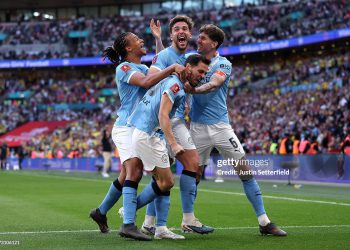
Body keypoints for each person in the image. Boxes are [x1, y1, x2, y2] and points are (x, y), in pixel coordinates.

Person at [185, 24, 287, 236]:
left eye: (202, 38)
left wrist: (194, 90)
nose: (198, 40)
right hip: (197, 127)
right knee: (194, 175)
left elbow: (214, 83)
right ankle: (188, 219)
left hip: (221, 127)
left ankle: (264, 222)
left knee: (245, 171)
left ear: (214, 43)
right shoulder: (192, 61)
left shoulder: (223, 63)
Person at [89, 31, 184, 240]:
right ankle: (128, 225)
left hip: (143, 128)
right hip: (126, 127)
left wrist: (159, 40)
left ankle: (101, 212)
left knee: (127, 176)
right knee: (135, 170)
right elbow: (146, 82)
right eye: (136, 39)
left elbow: (158, 66)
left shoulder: (142, 67)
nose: (142, 40)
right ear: (128, 48)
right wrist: (171, 68)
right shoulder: (124, 68)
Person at [141, 15, 214, 235]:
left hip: (179, 119)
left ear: (189, 35)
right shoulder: (165, 57)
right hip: (161, 118)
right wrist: (170, 71)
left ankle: (188, 219)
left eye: (185, 29)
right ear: (172, 34)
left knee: (194, 164)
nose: (181, 31)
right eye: (176, 29)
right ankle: (148, 220)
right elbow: (151, 78)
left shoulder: (191, 58)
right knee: (164, 176)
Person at [126, 54, 210, 240]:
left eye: (205, 73)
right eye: (200, 71)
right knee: (167, 182)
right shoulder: (174, 85)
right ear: (188, 67)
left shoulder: (173, 81)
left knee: (163, 182)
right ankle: (129, 211)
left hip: (149, 134)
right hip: (148, 136)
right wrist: (173, 142)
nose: (202, 76)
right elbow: (164, 116)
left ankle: (160, 228)